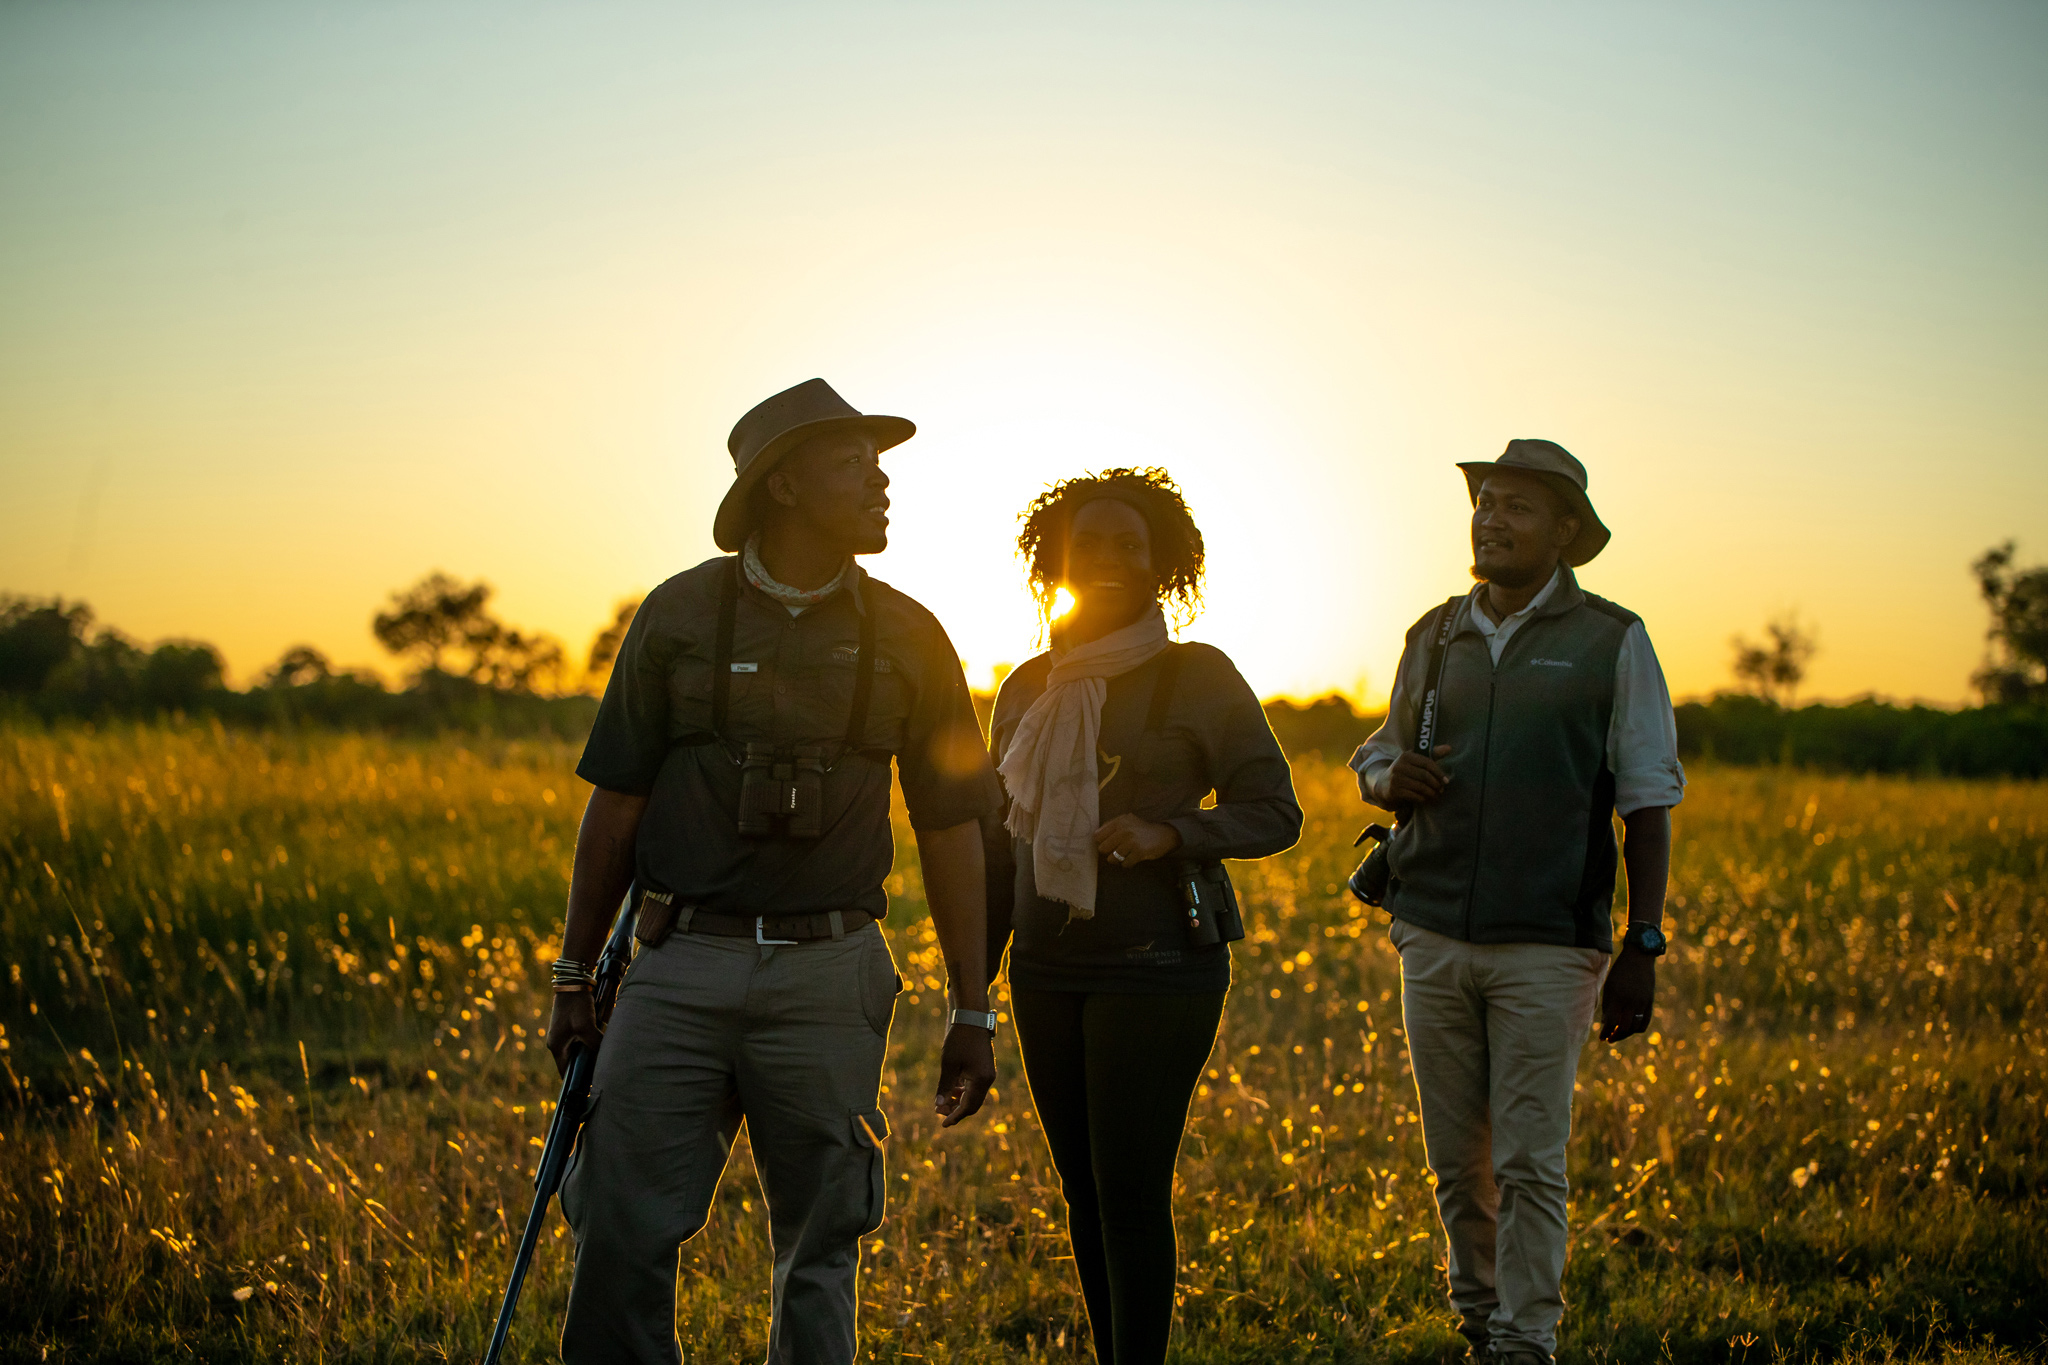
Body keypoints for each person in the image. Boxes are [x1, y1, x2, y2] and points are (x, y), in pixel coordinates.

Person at [545, 378, 1004, 1365]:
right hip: (675, 965)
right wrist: (572, 973)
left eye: (879, 466)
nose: (880, 484)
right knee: (620, 1227)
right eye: (853, 465)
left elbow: (954, 828)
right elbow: (615, 804)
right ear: (782, 486)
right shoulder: (677, 616)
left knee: (821, 1239)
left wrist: (973, 1008)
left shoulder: (912, 633)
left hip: (829, 970)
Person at [1350, 439, 1685, 1365]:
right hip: (1431, 931)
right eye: (1484, 501)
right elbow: (1375, 753)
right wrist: (1389, 778)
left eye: (1518, 507)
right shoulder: (1435, 632)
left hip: (1550, 945)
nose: (1492, 518)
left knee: (1530, 1158)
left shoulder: (1612, 640)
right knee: (1457, 1157)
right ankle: (1478, 1316)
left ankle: (1526, 1337)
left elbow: (1647, 800)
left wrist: (1641, 944)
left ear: (1567, 534)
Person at [984, 468, 1303, 1365]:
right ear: (1057, 557)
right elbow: (995, 839)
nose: (1114, 559)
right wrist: (971, 992)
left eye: (1133, 544)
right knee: (1082, 1188)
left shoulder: (1197, 675)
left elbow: (1277, 811)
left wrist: (1171, 831)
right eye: (1093, 543)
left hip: (1160, 963)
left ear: (1165, 563)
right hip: (1045, 967)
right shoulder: (1026, 685)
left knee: (1128, 1187)